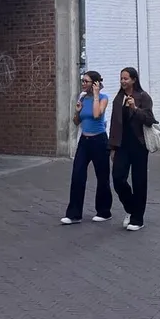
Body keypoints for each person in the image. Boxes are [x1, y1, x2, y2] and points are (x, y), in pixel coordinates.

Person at [61, 71, 113, 225]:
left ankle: (104, 212)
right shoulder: (82, 98)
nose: (83, 84)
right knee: (77, 175)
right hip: (84, 141)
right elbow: (77, 122)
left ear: (95, 83)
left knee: (102, 177)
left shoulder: (103, 98)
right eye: (82, 81)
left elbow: (96, 115)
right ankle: (74, 214)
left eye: (86, 81)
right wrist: (77, 111)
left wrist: (96, 95)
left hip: (99, 141)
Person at [109, 67, 156, 231]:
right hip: (122, 145)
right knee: (117, 178)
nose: (123, 81)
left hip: (139, 145)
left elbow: (149, 119)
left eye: (126, 78)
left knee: (139, 181)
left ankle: (138, 219)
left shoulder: (143, 97)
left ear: (134, 80)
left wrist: (135, 109)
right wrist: (112, 147)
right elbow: (114, 124)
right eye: (121, 78)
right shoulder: (118, 98)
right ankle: (131, 208)